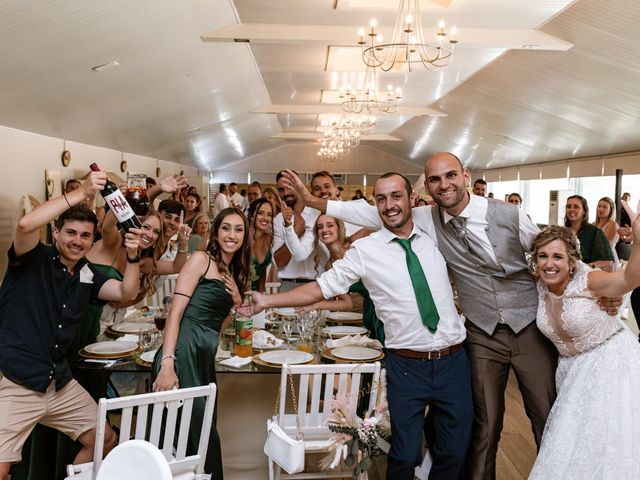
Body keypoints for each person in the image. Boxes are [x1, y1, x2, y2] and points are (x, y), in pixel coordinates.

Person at [278, 153, 557, 479]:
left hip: (527, 326)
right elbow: (373, 210)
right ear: (427, 188)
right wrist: (314, 201)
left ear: (465, 175)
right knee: (483, 428)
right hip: (479, 334)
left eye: (450, 176)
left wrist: (585, 290)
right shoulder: (427, 218)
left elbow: (550, 254)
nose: (444, 185)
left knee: (545, 418)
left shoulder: (507, 214)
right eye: (435, 179)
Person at [242, 173, 473, 480]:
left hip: (453, 360)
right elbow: (320, 287)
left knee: (455, 451)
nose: (389, 205)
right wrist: (267, 301)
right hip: (407, 365)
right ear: (374, 204)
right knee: (404, 455)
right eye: (381, 199)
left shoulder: (434, 233)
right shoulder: (365, 250)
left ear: (411, 199)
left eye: (396, 196)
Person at [0, 172, 142, 480]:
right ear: (56, 230)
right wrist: (82, 194)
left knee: (104, 439)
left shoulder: (87, 273)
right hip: (17, 380)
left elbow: (126, 293)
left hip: (59, 383)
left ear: (93, 239)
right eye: (71, 232)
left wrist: (133, 257)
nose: (77, 241)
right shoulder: (31, 257)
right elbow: (25, 225)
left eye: (85, 235)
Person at [528, 216, 640, 479]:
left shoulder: (588, 281)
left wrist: (639, 240)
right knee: (572, 440)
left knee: (606, 442)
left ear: (571, 261)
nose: (549, 263)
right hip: (570, 370)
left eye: (557, 257)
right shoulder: (539, 283)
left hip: (610, 364)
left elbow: (630, 279)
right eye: (543, 256)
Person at [152, 207, 250, 479]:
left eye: (239, 229)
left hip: (203, 357)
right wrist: (167, 363)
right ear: (216, 232)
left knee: (203, 433)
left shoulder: (236, 272)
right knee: (186, 439)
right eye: (226, 228)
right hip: (182, 353)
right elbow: (176, 313)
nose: (232, 235)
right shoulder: (200, 260)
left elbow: (218, 326)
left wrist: (236, 305)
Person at [304, 214, 385, 343]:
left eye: (330, 225)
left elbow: (381, 225)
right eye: (320, 227)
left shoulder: (356, 241)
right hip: (370, 313)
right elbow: (347, 303)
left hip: (386, 304)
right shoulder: (330, 266)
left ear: (339, 228)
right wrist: (316, 304)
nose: (325, 230)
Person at [272, 170, 319, 292]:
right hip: (288, 285)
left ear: (299, 186)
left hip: (317, 285)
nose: (286, 192)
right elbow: (279, 261)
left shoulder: (317, 214)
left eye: (289, 186)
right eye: (281, 189)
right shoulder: (278, 220)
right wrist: (296, 232)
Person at [564, 195, 613, 269]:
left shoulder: (595, 232)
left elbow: (607, 261)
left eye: (576, 207)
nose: (571, 209)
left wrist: (585, 267)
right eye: (569, 206)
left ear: (584, 211)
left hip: (585, 276)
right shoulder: (562, 232)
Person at [247, 198, 273, 293]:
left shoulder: (269, 240)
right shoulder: (242, 237)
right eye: (260, 213)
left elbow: (262, 272)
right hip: (235, 294)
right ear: (251, 215)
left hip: (254, 295)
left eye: (269, 215)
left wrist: (260, 296)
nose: (265, 218)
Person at [593, 196, 619, 269]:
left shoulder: (612, 224)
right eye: (599, 206)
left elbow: (605, 244)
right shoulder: (593, 224)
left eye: (605, 207)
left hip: (608, 259)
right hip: (595, 259)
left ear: (611, 210)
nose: (601, 209)